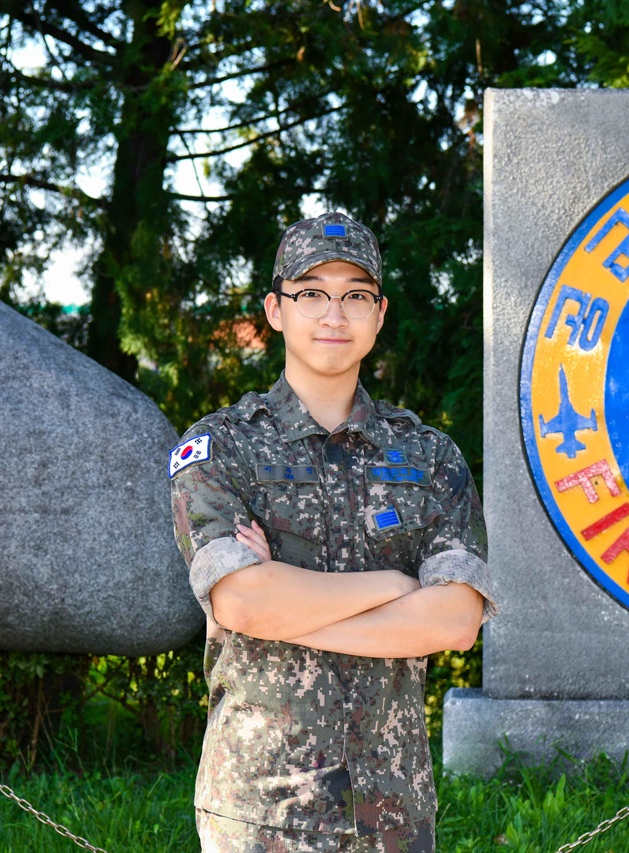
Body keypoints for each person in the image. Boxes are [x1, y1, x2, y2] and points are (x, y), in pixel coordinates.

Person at [169, 211, 496, 853]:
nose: (333, 315)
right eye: (311, 292)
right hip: (260, 813)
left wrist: (283, 611)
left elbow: (456, 621)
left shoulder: (430, 457)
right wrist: (396, 585)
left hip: (393, 815)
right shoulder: (220, 449)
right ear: (275, 309)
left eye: (354, 295)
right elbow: (241, 600)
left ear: (379, 313)